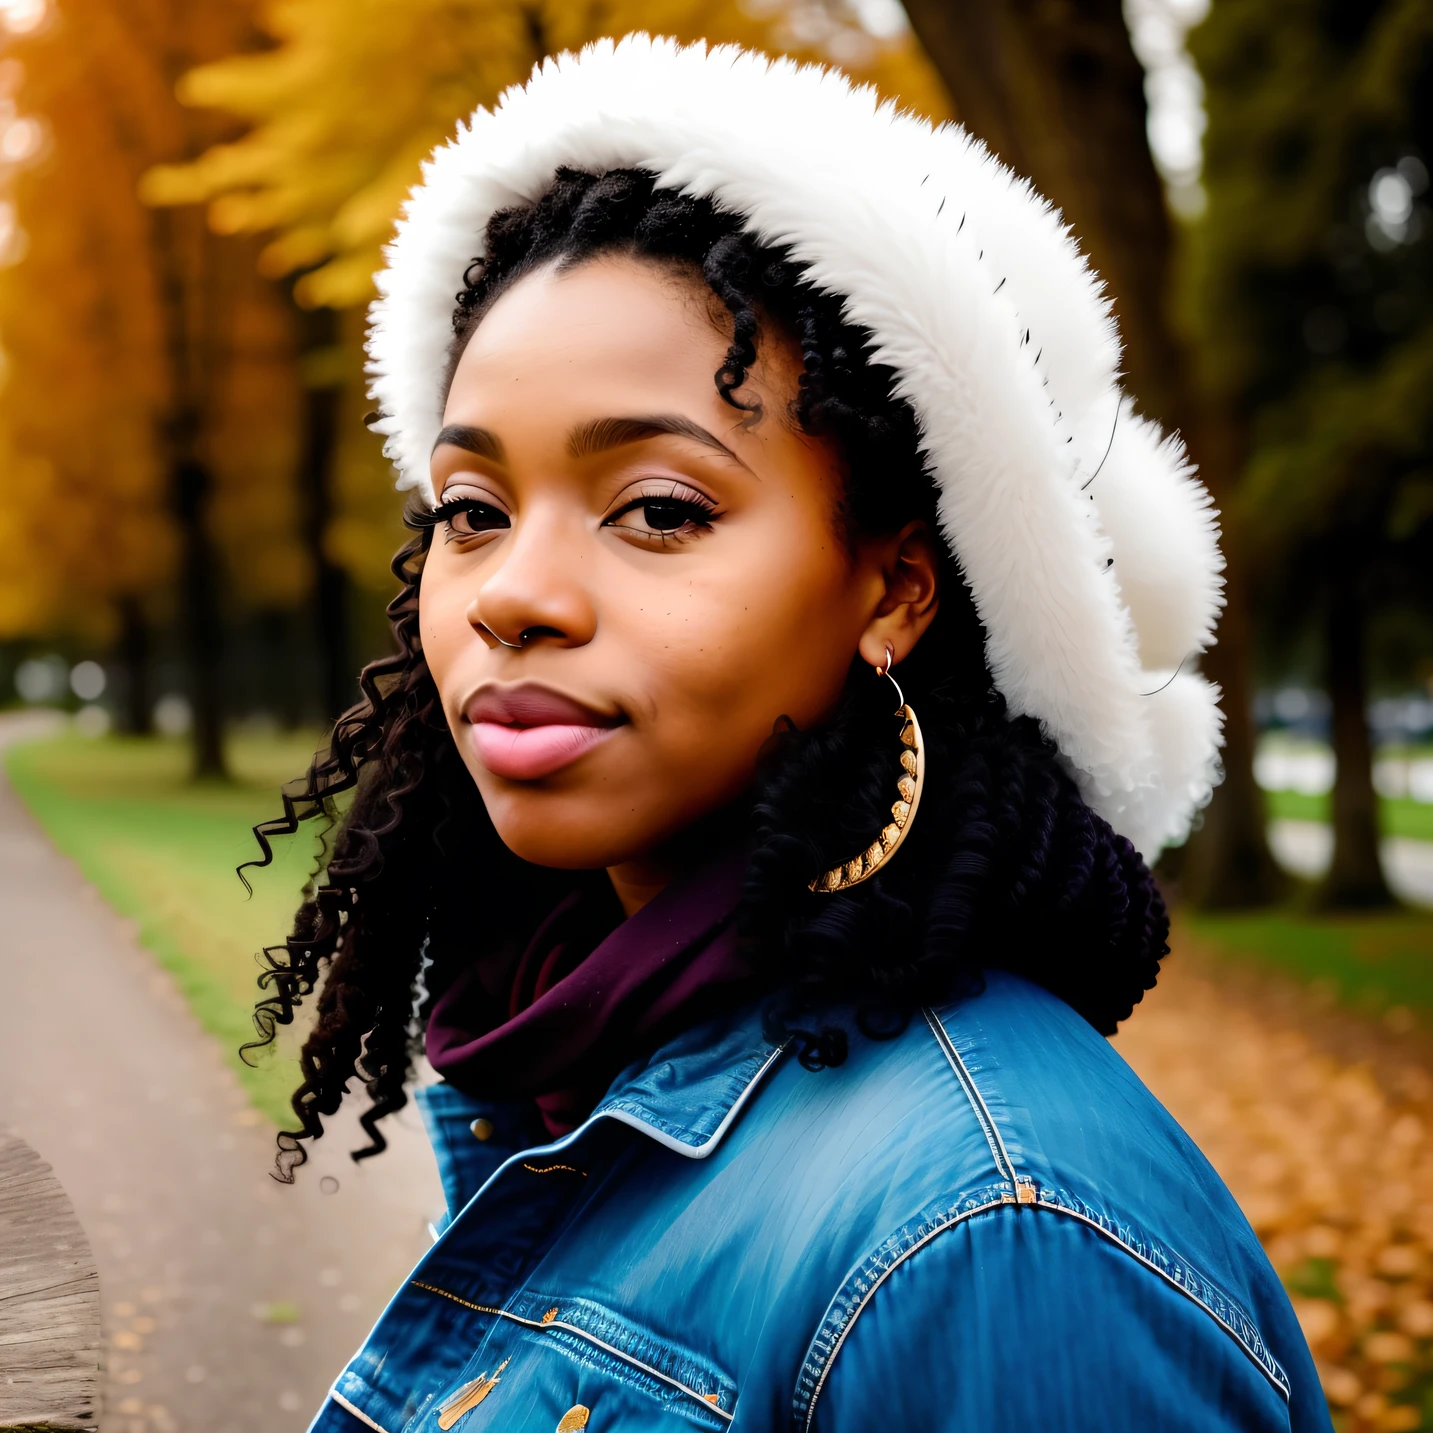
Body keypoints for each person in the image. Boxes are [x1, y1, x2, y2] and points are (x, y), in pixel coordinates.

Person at [248, 36, 1330, 1432]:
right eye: (472, 509)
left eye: (659, 509)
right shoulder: (566, 1067)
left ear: (893, 590)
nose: (511, 593)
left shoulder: (995, 1238)